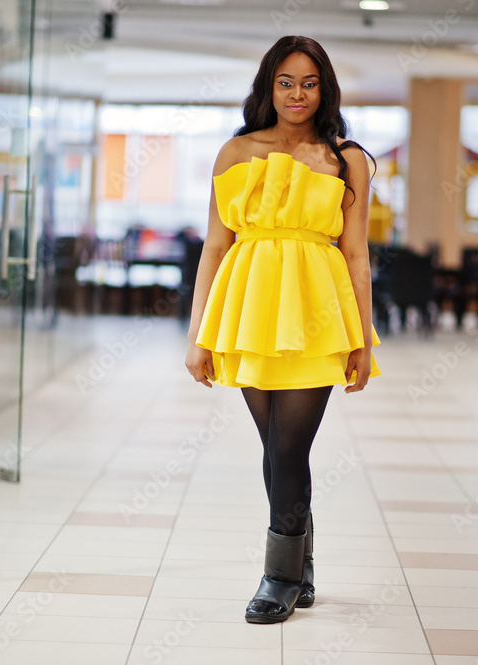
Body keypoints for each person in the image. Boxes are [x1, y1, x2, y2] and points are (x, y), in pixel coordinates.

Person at [183, 35, 380, 624]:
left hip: (317, 313)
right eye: (286, 82)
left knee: (291, 445)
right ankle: (301, 563)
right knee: (274, 446)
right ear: (269, 87)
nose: (298, 94)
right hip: (249, 309)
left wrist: (363, 340)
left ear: (326, 89)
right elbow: (215, 247)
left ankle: (280, 575)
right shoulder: (238, 151)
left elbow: (358, 255)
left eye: (310, 82)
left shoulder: (346, 159)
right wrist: (199, 336)